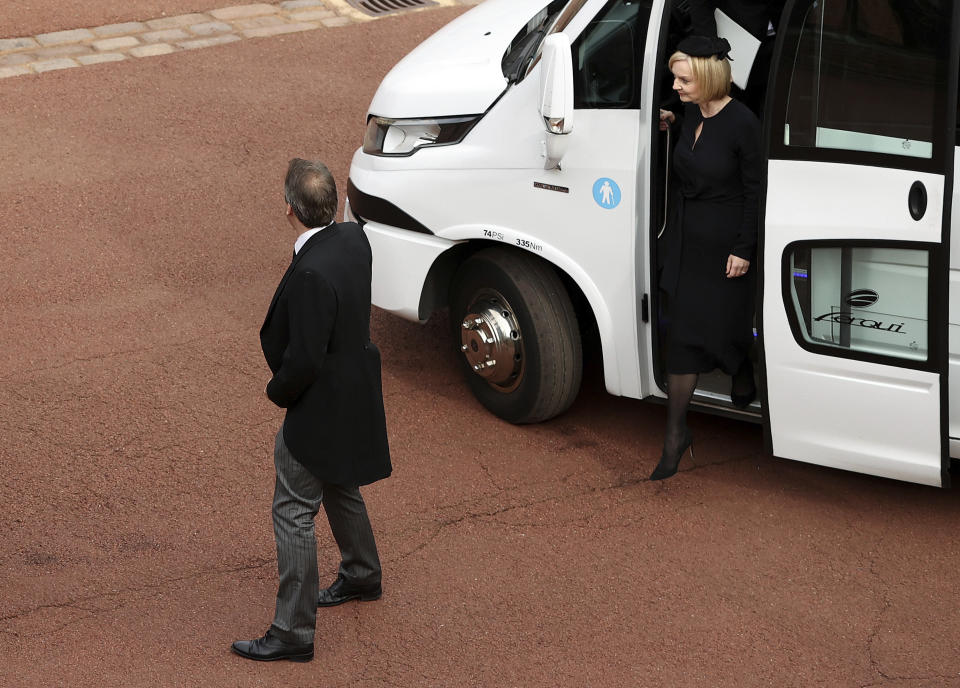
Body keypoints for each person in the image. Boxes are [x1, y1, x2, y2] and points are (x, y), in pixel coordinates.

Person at [232, 158, 392, 662]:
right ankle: (362, 574)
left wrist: (277, 392)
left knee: (293, 510)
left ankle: (293, 631)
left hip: (320, 405)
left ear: (289, 210)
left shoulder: (312, 275)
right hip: (355, 393)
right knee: (341, 482)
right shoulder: (353, 240)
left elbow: (303, 358)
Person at [652, 36, 761, 481]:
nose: (675, 85)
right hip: (686, 238)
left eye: (683, 79)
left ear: (710, 77)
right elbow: (696, 151)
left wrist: (744, 248)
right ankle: (676, 435)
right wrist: (672, 121)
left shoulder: (744, 123)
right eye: (675, 78)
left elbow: (756, 192)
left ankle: (741, 367)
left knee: (726, 324)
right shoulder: (692, 111)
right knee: (683, 333)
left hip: (725, 245)